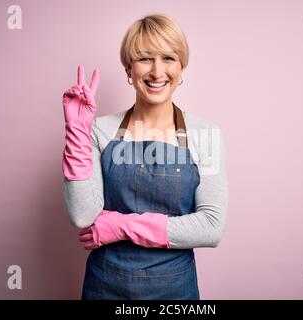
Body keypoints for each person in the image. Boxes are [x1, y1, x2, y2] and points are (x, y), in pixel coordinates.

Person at [62, 14, 229, 300]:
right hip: (105, 287)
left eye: (168, 58)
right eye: (144, 59)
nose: (156, 71)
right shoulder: (100, 130)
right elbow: (82, 215)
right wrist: (77, 132)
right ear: (128, 69)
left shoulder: (206, 134)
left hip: (175, 291)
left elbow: (211, 226)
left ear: (181, 67)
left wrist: (123, 226)